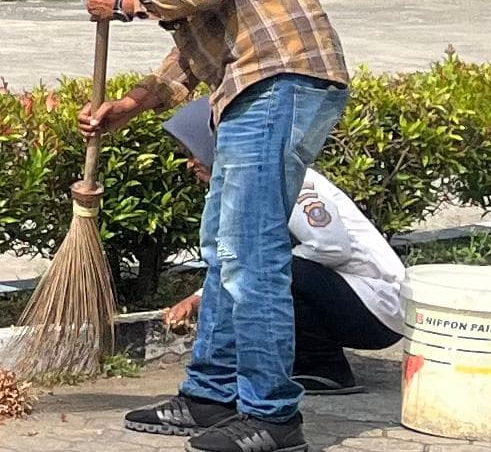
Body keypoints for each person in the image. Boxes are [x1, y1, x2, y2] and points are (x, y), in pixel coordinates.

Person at [70, 0, 355, 452]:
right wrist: (134, 103)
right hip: (254, 81)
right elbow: (199, 44)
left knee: (252, 255)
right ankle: (212, 393)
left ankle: (273, 415)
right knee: (227, 250)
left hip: (279, 77)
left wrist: (123, 2)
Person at [153, 99, 408, 395]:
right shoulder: (239, 186)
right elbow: (234, 257)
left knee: (268, 268)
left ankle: (323, 368)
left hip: (378, 309)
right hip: (352, 301)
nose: (189, 163)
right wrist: (197, 299)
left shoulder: (292, 179)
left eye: (193, 151)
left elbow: (332, 247)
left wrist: (265, 265)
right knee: (261, 266)